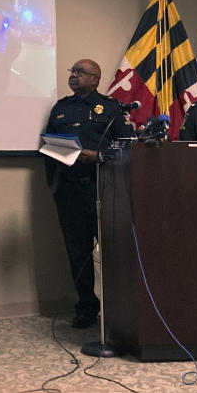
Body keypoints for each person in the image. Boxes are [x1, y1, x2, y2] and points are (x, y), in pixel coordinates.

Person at [44, 59, 134, 329]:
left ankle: (120, 309)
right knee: (77, 252)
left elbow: (127, 148)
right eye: (72, 71)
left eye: (80, 72)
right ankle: (86, 307)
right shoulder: (60, 108)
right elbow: (47, 145)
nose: (73, 76)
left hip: (103, 187)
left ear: (95, 79)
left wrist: (98, 156)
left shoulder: (111, 108)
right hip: (70, 191)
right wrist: (54, 185)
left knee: (113, 251)